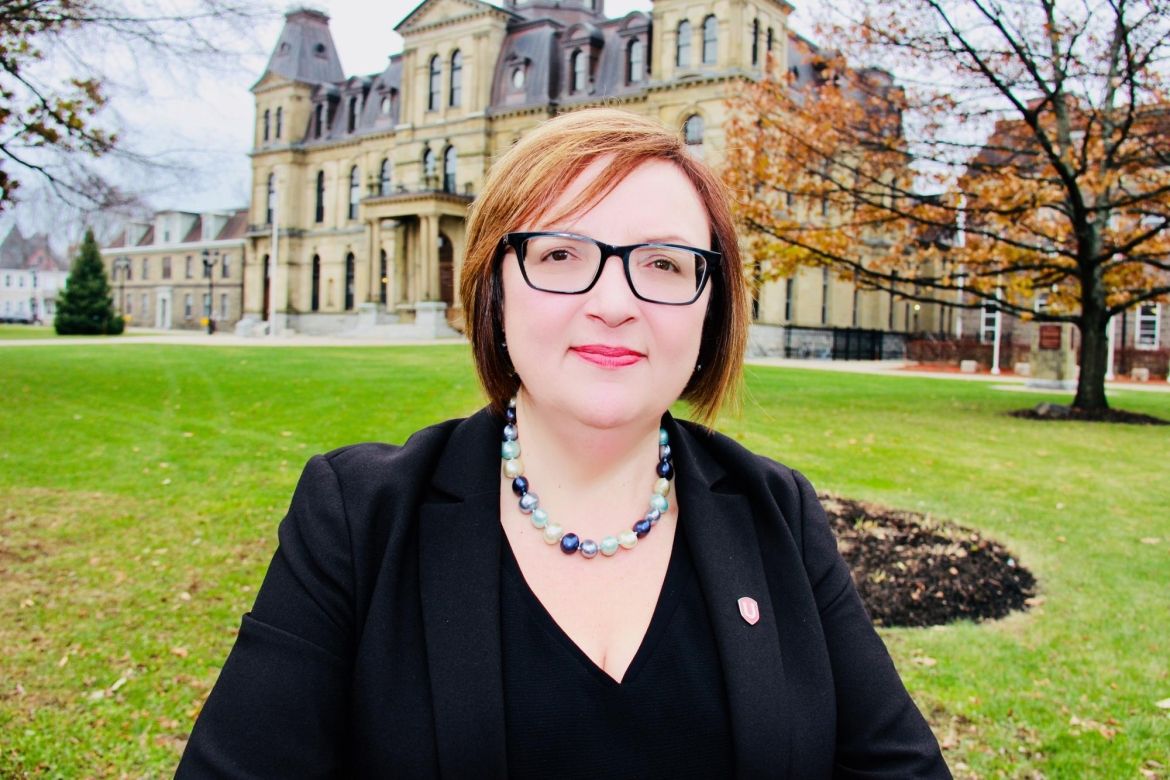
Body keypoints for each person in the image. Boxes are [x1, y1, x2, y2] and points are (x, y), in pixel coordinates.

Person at [177, 109, 950, 778]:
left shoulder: (777, 511)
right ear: (493, 289)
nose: (613, 302)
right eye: (559, 255)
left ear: (711, 307)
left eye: (662, 263)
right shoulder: (359, 518)